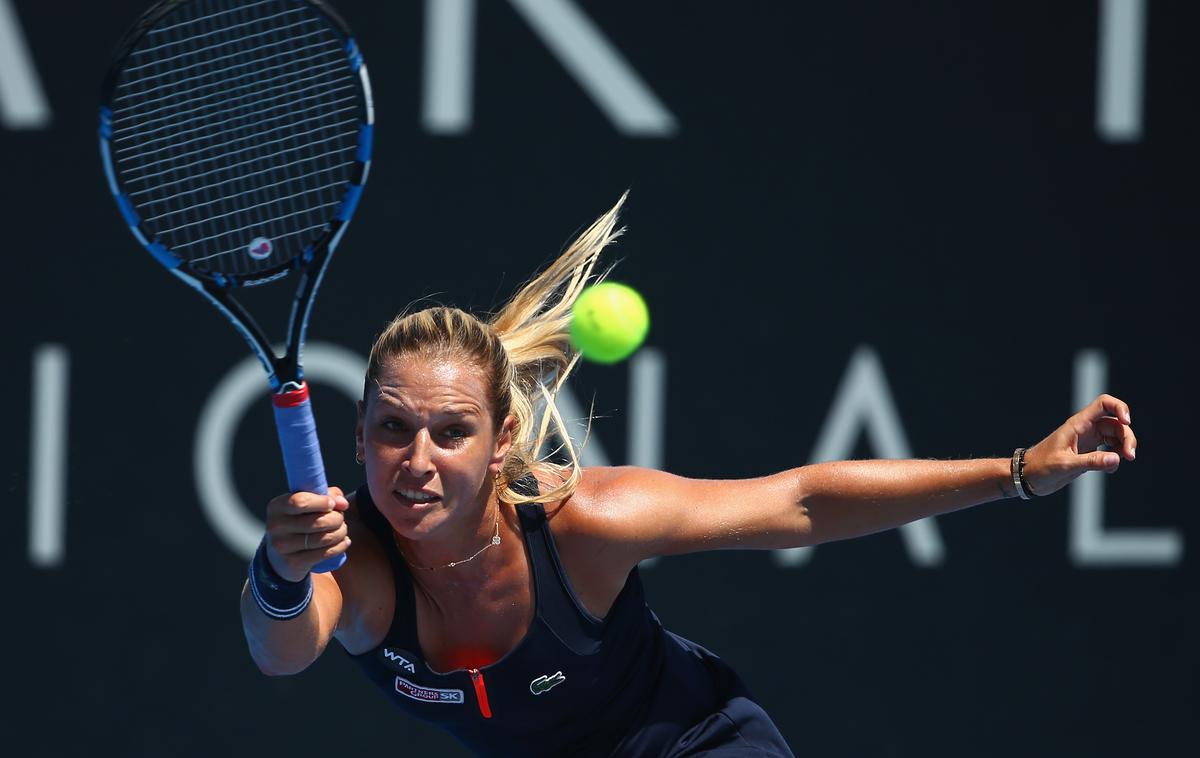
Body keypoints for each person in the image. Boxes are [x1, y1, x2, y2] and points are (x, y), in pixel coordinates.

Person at [240, 195, 1138, 757]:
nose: (418, 460)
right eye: (393, 430)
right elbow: (281, 650)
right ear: (357, 440)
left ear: (502, 440)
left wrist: (1020, 471)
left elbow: (798, 500)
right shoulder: (351, 560)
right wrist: (279, 572)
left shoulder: (586, 525)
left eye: (451, 432)